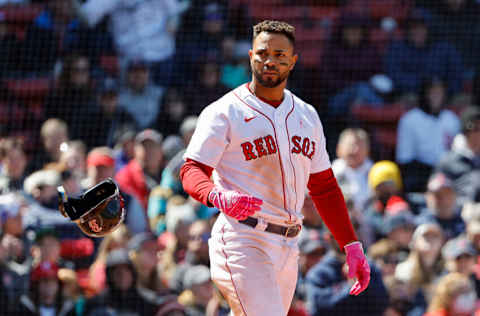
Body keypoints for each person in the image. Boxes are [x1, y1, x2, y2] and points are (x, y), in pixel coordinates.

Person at [179, 20, 371, 316]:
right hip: (243, 238)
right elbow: (191, 170)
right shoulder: (224, 111)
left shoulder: (307, 115)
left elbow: (324, 186)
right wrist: (217, 196)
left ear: (293, 61)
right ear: (250, 56)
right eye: (263, 53)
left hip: (288, 245)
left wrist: (351, 243)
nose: (270, 61)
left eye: (280, 55)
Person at [396, 78, 460, 192]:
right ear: (424, 94)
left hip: (448, 172)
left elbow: (457, 152)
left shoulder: (452, 119)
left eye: (439, 92)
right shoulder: (409, 119)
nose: (436, 96)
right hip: (419, 172)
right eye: (432, 92)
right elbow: (404, 158)